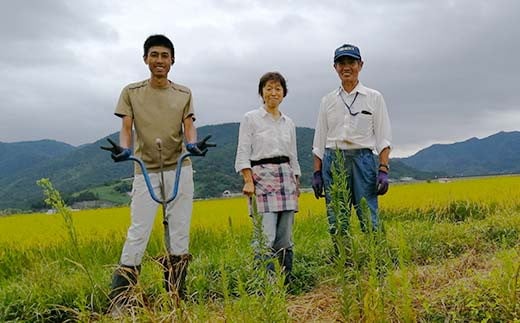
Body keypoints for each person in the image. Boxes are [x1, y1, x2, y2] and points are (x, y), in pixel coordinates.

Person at [103, 34, 211, 310]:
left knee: (179, 233)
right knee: (138, 232)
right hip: (145, 169)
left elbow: (189, 126)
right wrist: (125, 150)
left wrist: (192, 145)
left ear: (172, 60)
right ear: (145, 59)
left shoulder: (184, 93)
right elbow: (127, 128)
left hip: (179, 167)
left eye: (164, 55)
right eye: (154, 55)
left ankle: (175, 299)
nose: (159, 60)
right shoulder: (131, 92)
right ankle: (121, 304)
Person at [312, 44, 392, 249]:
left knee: (368, 214)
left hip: (363, 160)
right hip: (333, 160)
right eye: (341, 63)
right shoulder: (327, 100)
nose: (346, 67)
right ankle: (344, 260)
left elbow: (383, 137)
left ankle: (377, 259)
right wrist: (317, 172)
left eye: (351, 62)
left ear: (360, 65)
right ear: (335, 67)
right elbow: (319, 139)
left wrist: (383, 169)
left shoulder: (374, 97)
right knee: (338, 218)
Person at [235, 72, 301, 284]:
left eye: (278, 89)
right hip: (261, 177)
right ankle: (266, 285)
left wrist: (296, 181)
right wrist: (248, 180)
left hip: (286, 177)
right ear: (261, 92)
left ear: (284, 94)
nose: (273, 93)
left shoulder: (288, 122)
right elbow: (243, 152)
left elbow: (293, 155)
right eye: (269, 88)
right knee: (266, 235)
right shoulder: (250, 118)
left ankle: (286, 281)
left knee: (285, 236)